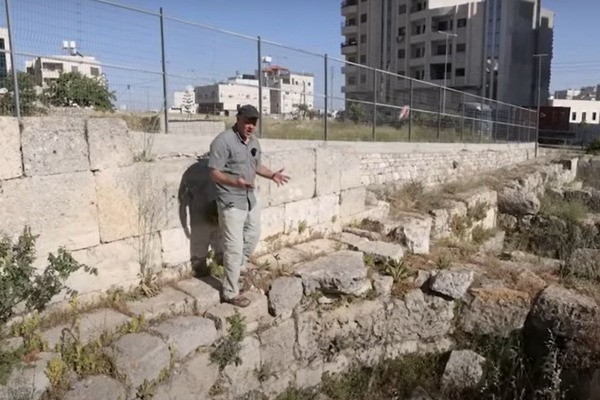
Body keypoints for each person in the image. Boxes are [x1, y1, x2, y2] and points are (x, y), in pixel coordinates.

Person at [208, 104, 289, 307]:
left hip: (249, 198)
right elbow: (214, 172)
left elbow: (256, 165)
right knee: (233, 247)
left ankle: (238, 266)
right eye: (247, 121)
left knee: (253, 234)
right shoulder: (223, 141)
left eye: (254, 122)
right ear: (238, 119)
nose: (251, 126)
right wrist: (234, 182)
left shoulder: (254, 141)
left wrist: (272, 175)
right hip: (230, 200)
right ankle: (230, 292)